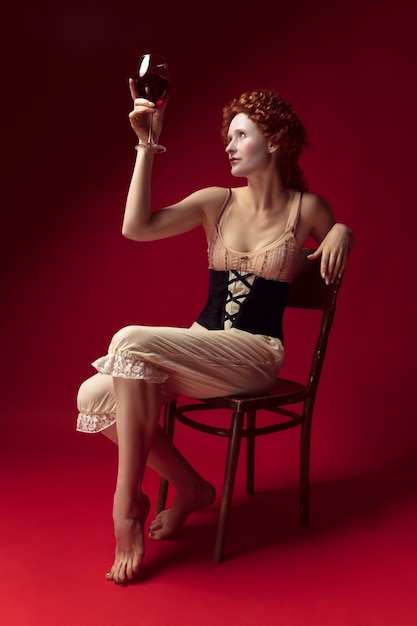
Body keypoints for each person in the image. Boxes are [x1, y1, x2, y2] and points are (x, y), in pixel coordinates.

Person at [76, 82, 353, 585]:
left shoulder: (308, 209)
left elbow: (330, 255)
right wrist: (146, 145)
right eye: (228, 136)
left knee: (128, 340)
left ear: (275, 141)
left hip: (254, 356)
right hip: (202, 344)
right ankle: (192, 488)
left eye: (240, 135)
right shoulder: (216, 201)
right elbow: (135, 228)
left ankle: (126, 510)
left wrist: (342, 230)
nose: (228, 145)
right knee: (92, 396)